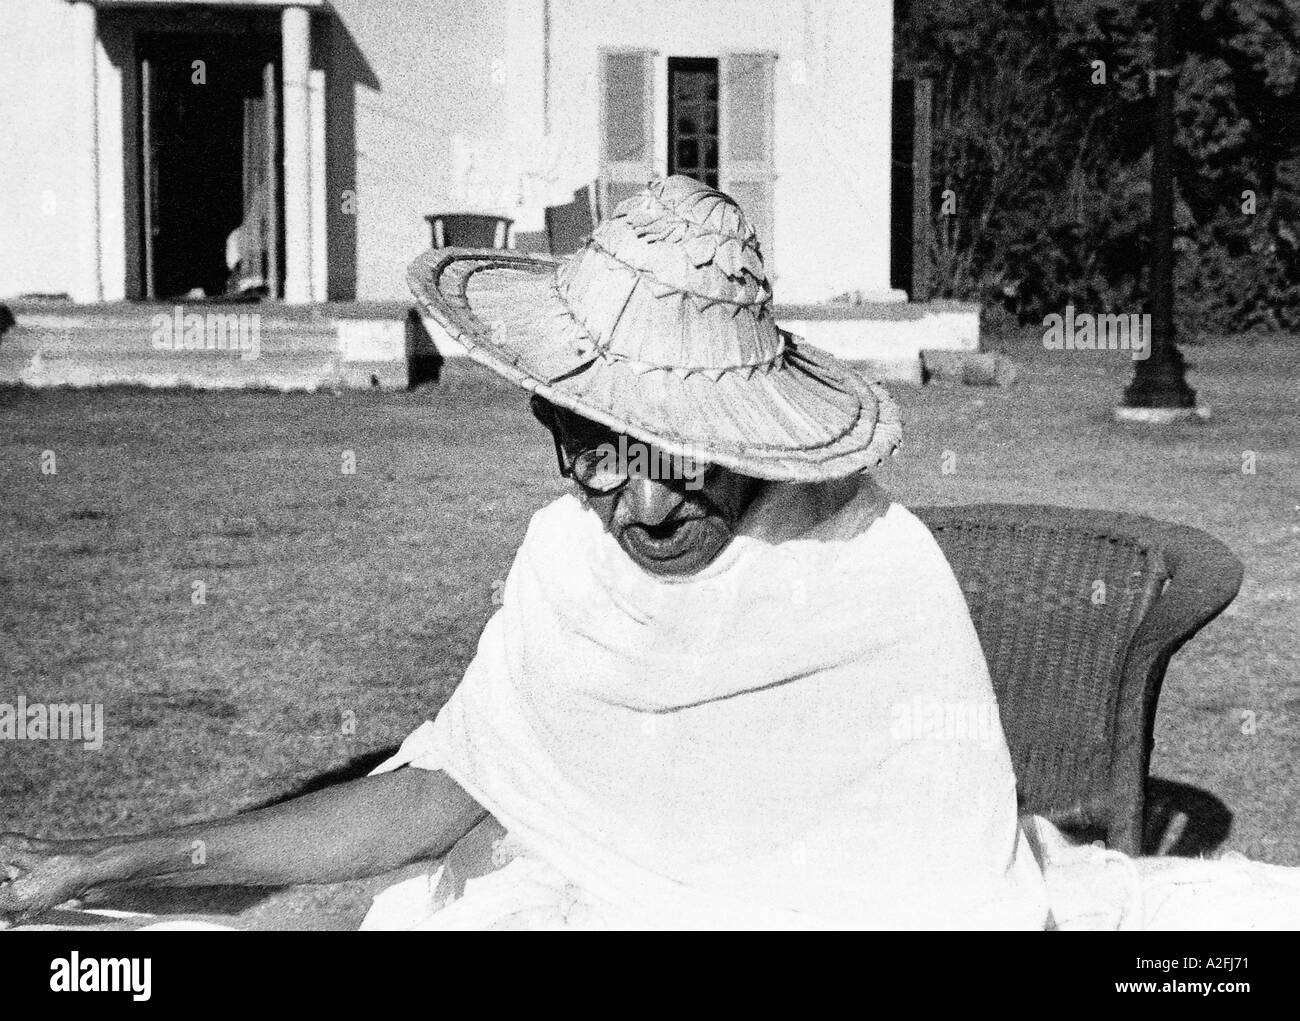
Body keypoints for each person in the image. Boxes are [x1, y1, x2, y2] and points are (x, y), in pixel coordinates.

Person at [2, 177, 1296, 930]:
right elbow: (441, 788)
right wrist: (120, 859)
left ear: (749, 443)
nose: (630, 504)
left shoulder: (864, 568)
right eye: (588, 448)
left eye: (675, 458)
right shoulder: (562, 560)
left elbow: (934, 891)